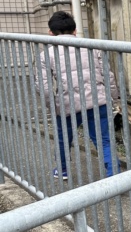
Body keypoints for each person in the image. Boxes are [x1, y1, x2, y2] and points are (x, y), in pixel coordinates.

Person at [38, 11, 120, 180]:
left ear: (50, 33)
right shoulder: (91, 46)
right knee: (104, 139)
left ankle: (62, 171)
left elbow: (44, 86)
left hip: (67, 104)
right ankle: (115, 175)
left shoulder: (47, 54)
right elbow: (108, 75)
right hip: (98, 101)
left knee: (63, 139)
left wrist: (52, 105)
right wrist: (114, 96)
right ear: (75, 31)